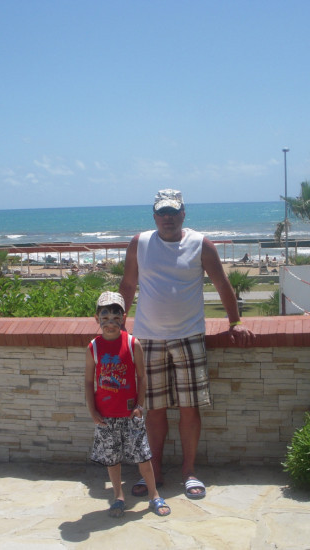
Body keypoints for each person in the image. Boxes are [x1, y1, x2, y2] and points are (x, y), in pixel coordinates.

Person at [119, 189, 255, 500]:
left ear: (183, 213)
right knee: (154, 410)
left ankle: (189, 472)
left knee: (189, 408)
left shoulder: (201, 244)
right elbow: (127, 284)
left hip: (189, 337)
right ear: (154, 215)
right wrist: (117, 324)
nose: (167, 217)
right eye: (162, 212)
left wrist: (235, 322)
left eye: (173, 212)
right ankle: (154, 471)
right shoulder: (139, 243)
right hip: (148, 339)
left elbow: (222, 283)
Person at [84, 291, 170, 518]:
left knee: (143, 456)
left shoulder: (132, 344)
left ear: (123, 318)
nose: (110, 323)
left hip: (131, 414)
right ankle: (118, 497)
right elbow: (88, 381)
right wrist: (92, 410)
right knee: (112, 459)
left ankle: (154, 495)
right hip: (105, 416)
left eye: (115, 317)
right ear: (97, 318)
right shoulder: (93, 347)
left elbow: (141, 377)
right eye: (105, 317)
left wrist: (140, 406)